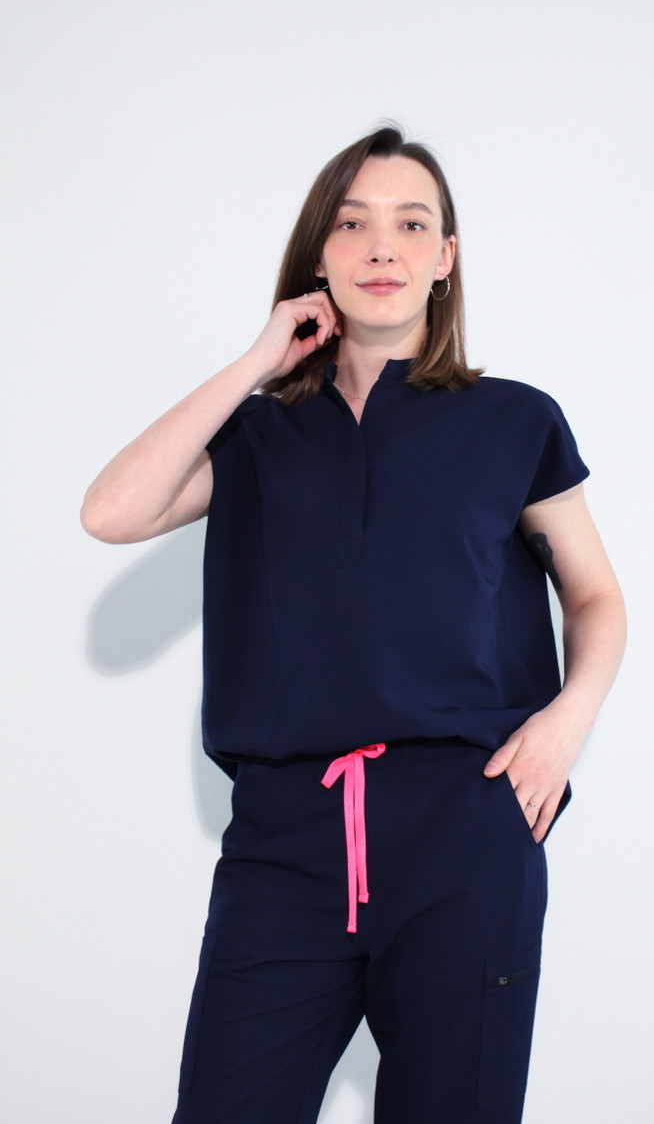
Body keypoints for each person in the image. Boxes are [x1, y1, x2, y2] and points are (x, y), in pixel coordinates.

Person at [81, 125, 626, 1124]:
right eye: (353, 224)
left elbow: (595, 595)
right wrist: (259, 358)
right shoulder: (257, 436)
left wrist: (565, 721)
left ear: (446, 258)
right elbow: (110, 512)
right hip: (286, 842)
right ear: (318, 256)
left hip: (465, 828)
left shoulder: (515, 421)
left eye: (412, 225)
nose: (383, 247)